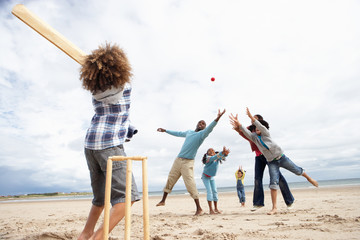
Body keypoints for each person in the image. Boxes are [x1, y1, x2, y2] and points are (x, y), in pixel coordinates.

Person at [78, 43, 140, 240]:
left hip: (90, 144)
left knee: (100, 198)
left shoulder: (95, 93)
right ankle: (98, 237)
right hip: (109, 145)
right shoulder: (125, 88)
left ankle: (86, 234)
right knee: (127, 197)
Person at [229, 108, 318, 215]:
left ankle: (308, 180)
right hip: (271, 161)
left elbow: (260, 126)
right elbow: (246, 133)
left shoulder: (266, 133)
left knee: (296, 171)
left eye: (257, 124)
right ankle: (273, 207)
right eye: (254, 126)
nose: (255, 126)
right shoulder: (255, 137)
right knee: (273, 182)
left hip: (282, 158)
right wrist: (239, 125)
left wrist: (251, 117)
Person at [156, 109, 226, 215]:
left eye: (203, 124)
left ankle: (199, 208)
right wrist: (165, 130)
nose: (201, 124)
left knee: (190, 184)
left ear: (204, 128)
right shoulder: (189, 132)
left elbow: (211, 128)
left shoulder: (202, 135)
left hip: (188, 162)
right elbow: (178, 133)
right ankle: (163, 200)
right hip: (178, 160)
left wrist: (218, 118)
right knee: (171, 178)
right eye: (199, 122)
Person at [233, 114, 295, 211]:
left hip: (269, 157)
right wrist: (237, 128)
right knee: (257, 178)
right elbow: (245, 134)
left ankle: (289, 201)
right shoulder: (252, 131)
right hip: (258, 156)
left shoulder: (263, 131)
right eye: (252, 119)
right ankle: (258, 203)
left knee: (280, 179)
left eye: (255, 119)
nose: (252, 120)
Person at [201, 146, 230, 214]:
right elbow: (214, 157)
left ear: (214, 153)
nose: (211, 152)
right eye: (209, 151)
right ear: (207, 154)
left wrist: (225, 154)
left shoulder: (217, 158)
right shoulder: (208, 158)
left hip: (211, 177)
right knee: (209, 191)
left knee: (215, 191)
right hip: (205, 176)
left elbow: (223, 157)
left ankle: (216, 208)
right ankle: (211, 210)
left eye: (213, 151)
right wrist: (222, 153)